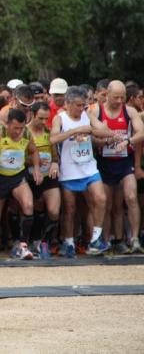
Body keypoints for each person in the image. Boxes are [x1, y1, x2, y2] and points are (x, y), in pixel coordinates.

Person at [50, 86, 114, 257]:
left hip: (89, 168)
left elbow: (107, 132)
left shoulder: (87, 115)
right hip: (69, 170)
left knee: (100, 198)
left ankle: (96, 239)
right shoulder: (60, 119)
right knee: (69, 209)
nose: (81, 108)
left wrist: (91, 131)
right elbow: (53, 138)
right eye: (78, 105)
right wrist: (75, 131)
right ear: (68, 104)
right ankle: (69, 242)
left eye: (83, 105)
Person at [90, 80, 144, 253]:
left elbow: (141, 132)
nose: (120, 101)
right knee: (107, 204)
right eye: (116, 97)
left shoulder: (130, 111)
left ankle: (132, 239)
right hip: (104, 164)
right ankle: (106, 241)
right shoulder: (96, 111)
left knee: (130, 198)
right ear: (107, 95)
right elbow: (91, 137)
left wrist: (128, 141)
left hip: (124, 162)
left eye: (123, 97)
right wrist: (105, 141)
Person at [0, 109, 40, 260]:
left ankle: (23, 246)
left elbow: (34, 151)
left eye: (21, 128)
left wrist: (36, 169)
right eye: (15, 128)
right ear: (8, 124)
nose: (18, 131)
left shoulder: (27, 134)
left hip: (17, 176)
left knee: (28, 205)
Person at [27, 102, 61, 258]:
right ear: (32, 115)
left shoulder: (49, 132)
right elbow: (16, 156)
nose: (43, 122)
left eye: (46, 119)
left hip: (48, 176)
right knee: (34, 208)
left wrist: (54, 163)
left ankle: (45, 241)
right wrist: (34, 161)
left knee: (54, 210)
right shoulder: (24, 132)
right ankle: (31, 240)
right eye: (40, 118)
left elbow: (55, 155)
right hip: (29, 176)